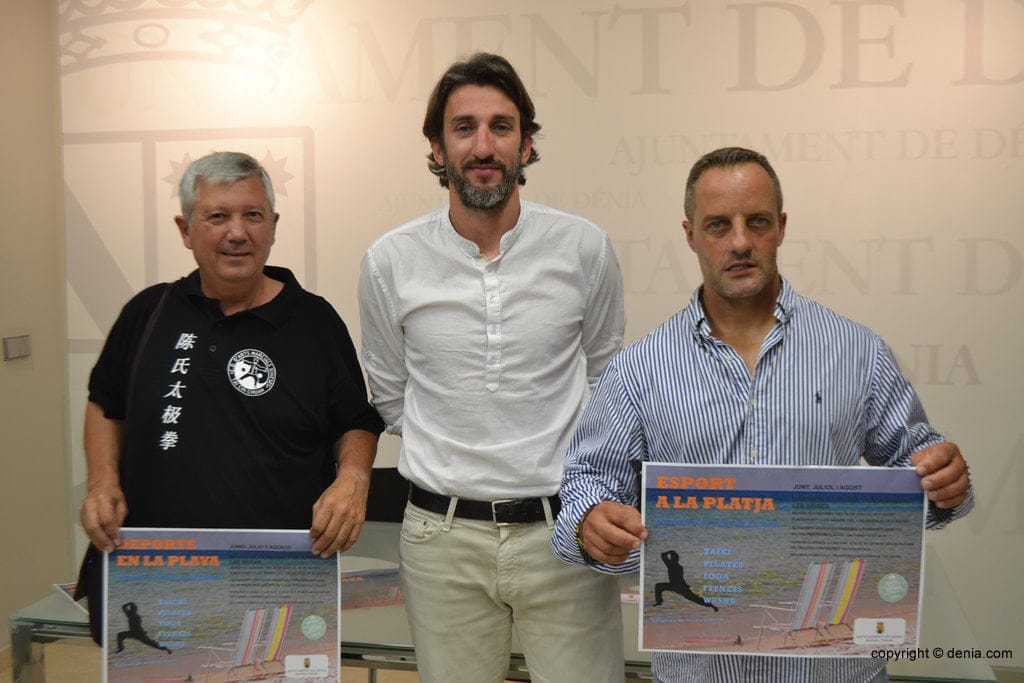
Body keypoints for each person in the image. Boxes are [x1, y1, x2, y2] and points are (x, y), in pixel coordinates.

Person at [551, 147, 974, 682]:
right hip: (700, 670)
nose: (740, 242)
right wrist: (590, 522)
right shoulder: (638, 370)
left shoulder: (856, 351)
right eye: (717, 225)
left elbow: (918, 465)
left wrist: (944, 479)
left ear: (781, 227)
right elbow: (585, 487)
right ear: (689, 235)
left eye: (757, 222)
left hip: (835, 671)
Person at [358, 53, 627, 682]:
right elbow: (392, 396)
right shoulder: (389, 261)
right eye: (464, 127)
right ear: (436, 146)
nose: (484, 145)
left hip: (565, 532)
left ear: (527, 145)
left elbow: (608, 383)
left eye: (502, 127)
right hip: (440, 540)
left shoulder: (584, 247)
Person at [81, 151, 384, 558]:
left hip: (279, 566)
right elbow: (105, 403)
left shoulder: (314, 320)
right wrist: (102, 482)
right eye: (218, 217)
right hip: (155, 565)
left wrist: (353, 478)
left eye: (253, 216)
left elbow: (354, 420)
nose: (237, 233)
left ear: (273, 227)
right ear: (185, 229)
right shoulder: (148, 312)